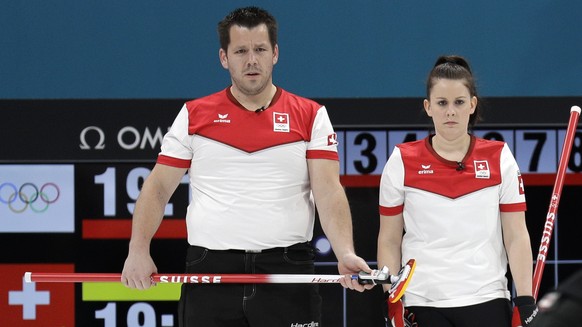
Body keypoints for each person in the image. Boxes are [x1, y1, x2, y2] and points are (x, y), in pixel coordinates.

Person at [121, 6, 372, 327]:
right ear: (224, 57)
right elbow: (157, 189)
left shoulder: (311, 115)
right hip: (210, 268)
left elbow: (328, 191)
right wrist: (138, 250)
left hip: (287, 267)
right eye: (240, 51)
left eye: (260, 50)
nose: (251, 60)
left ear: (275, 54)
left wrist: (345, 253)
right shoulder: (193, 115)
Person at [377, 55, 537, 327]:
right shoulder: (401, 160)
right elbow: (389, 239)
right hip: (422, 302)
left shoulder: (500, 157)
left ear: (472, 105)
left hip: (487, 300)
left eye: (459, 102)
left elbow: (516, 235)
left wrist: (525, 299)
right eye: (442, 103)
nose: (450, 111)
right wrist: (392, 299)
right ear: (428, 107)